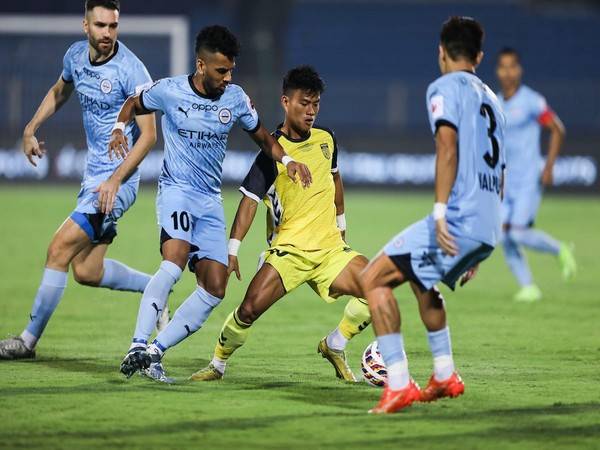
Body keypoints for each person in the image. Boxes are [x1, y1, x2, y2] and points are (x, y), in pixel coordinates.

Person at [110, 26, 312, 382]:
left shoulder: (234, 98)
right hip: (176, 191)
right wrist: (117, 128)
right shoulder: (169, 90)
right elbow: (132, 103)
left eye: (231, 70)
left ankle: (155, 353)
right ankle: (137, 345)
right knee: (172, 265)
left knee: (215, 287)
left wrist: (287, 161)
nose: (228, 77)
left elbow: (263, 137)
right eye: (221, 70)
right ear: (201, 65)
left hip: (209, 200)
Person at [188, 66, 372, 383]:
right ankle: (217, 365)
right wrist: (233, 250)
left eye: (315, 104)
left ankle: (335, 344)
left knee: (378, 287)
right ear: (286, 102)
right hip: (289, 252)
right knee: (247, 310)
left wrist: (341, 224)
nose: (311, 111)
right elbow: (248, 201)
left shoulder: (326, 140)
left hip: (330, 251)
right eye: (304, 103)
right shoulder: (271, 152)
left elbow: (335, 180)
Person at [359, 16, 505, 414]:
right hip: (487, 225)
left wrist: (441, 214)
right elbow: (501, 173)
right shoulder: (494, 100)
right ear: (479, 55)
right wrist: (478, 241)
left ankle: (400, 384)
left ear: (441, 52)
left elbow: (447, 147)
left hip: (458, 219)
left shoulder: (443, 87)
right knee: (421, 278)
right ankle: (444, 375)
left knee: (372, 278)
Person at [0, 0, 160, 360]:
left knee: (57, 250)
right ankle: (155, 288)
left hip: (119, 181)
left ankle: (27, 342)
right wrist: (30, 128)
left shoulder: (132, 70)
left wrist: (116, 180)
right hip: (94, 178)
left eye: (113, 26)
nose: (107, 33)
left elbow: (149, 135)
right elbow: (61, 90)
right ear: (85, 25)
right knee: (87, 270)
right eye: (101, 25)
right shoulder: (75, 56)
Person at [496, 47, 576, 302]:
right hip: (505, 181)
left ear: (519, 70)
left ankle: (560, 249)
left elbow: (557, 129)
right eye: (503, 67)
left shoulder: (531, 101)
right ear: (498, 71)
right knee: (503, 234)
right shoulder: (495, 103)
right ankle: (528, 287)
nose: (508, 72)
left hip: (529, 178)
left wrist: (549, 167)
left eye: (512, 66)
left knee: (517, 232)